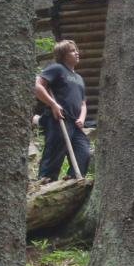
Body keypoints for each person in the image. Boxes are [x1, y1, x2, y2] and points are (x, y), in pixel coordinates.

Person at [35, 39, 91, 180]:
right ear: (63, 55)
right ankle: (45, 183)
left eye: (76, 50)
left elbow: (83, 103)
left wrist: (82, 118)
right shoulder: (57, 69)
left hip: (76, 123)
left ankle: (72, 182)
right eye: (72, 51)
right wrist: (53, 104)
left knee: (83, 152)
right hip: (59, 118)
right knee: (55, 153)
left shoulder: (79, 78)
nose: (77, 52)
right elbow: (38, 85)